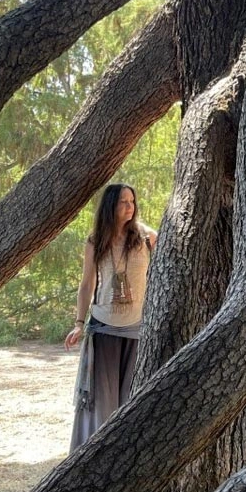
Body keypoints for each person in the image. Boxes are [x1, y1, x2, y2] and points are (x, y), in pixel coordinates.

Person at [64, 183, 157, 450]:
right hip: (104, 327)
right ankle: (93, 453)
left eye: (132, 202)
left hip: (137, 328)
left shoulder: (144, 237)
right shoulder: (96, 240)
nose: (130, 207)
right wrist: (79, 324)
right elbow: (87, 285)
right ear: (110, 206)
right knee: (101, 403)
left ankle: (124, 455)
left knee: (130, 399)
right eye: (123, 202)